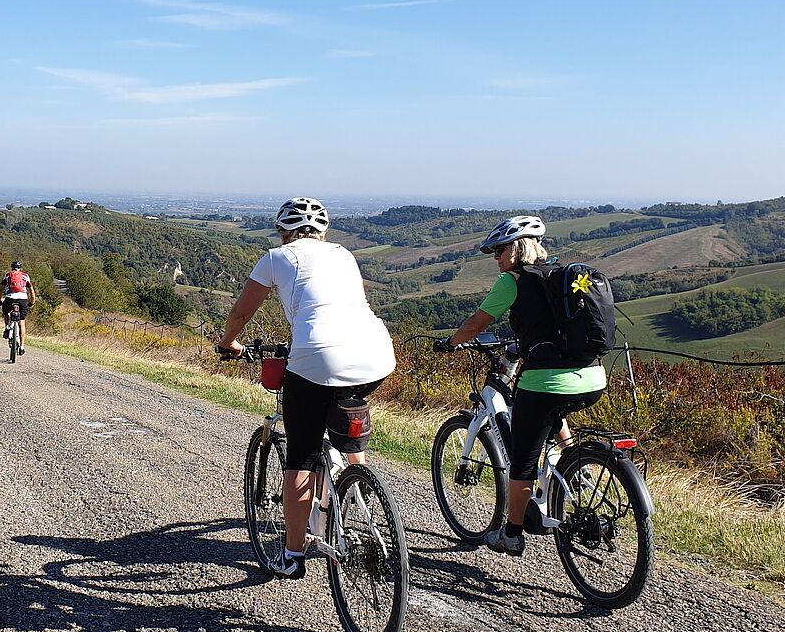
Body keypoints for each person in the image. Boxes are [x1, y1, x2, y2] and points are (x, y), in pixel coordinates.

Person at [217, 197, 396, 579]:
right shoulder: (344, 254)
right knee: (346, 415)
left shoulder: (276, 257)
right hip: (376, 354)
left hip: (317, 356)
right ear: (323, 231)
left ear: (284, 231)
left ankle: (293, 554)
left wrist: (229, 342)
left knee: (301, 458)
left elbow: (241, 313)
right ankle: (353, 486)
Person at [434, 215, 606, 556]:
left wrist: (451, 343)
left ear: (518, 247)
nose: (496, 258)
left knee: (522, 461)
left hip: (547, 382)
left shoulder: (513, 281)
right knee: (551, 411)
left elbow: (477, 322)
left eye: (500, 250)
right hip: (593, 377)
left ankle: (511, 533)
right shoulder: (561, 277)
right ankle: (572, 463)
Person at [0, 260, 37, 352]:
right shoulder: (25, 276)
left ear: (12, 267)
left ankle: (7, 326)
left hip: (10, 298)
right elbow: (31, 290)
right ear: (20, 268)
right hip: (23, 299)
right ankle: (22, 346)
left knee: (5, 312)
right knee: (22, 322)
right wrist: (32, 301)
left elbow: (1, 289)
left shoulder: (8, 275)